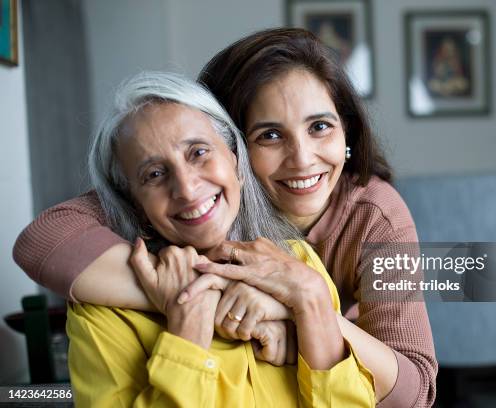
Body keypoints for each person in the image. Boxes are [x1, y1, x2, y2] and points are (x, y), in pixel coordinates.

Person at [14, 29, 436, 407]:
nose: (303, 159)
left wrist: (307, 311)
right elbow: (44, 239)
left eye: (320, 126)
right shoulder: (182, 195)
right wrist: (203, 297)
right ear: (235, 146)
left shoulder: (369, 220)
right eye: (269, 135)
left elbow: (414, 388)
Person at [66, 71, 375, 407]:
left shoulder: (299, 264)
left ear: (237, 162)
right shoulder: (102, 314)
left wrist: (312, 300)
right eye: (154, 174)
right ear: (136, 204)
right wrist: (188, 331)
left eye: (198, 153)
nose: (186, 188)